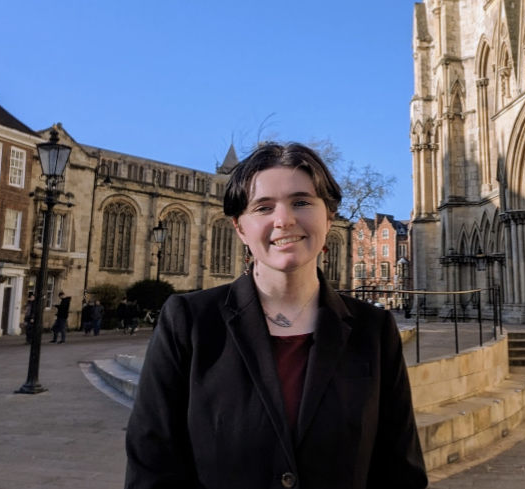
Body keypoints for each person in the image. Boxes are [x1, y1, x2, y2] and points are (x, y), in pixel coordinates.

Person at [125, 143, 428, 488]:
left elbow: (399, 472)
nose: (284, 220)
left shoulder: (373, 330)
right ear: (240, 228)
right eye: (263, 207)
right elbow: (152, 468)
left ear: (328, 218)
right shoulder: (188, 321)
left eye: (301, 202)